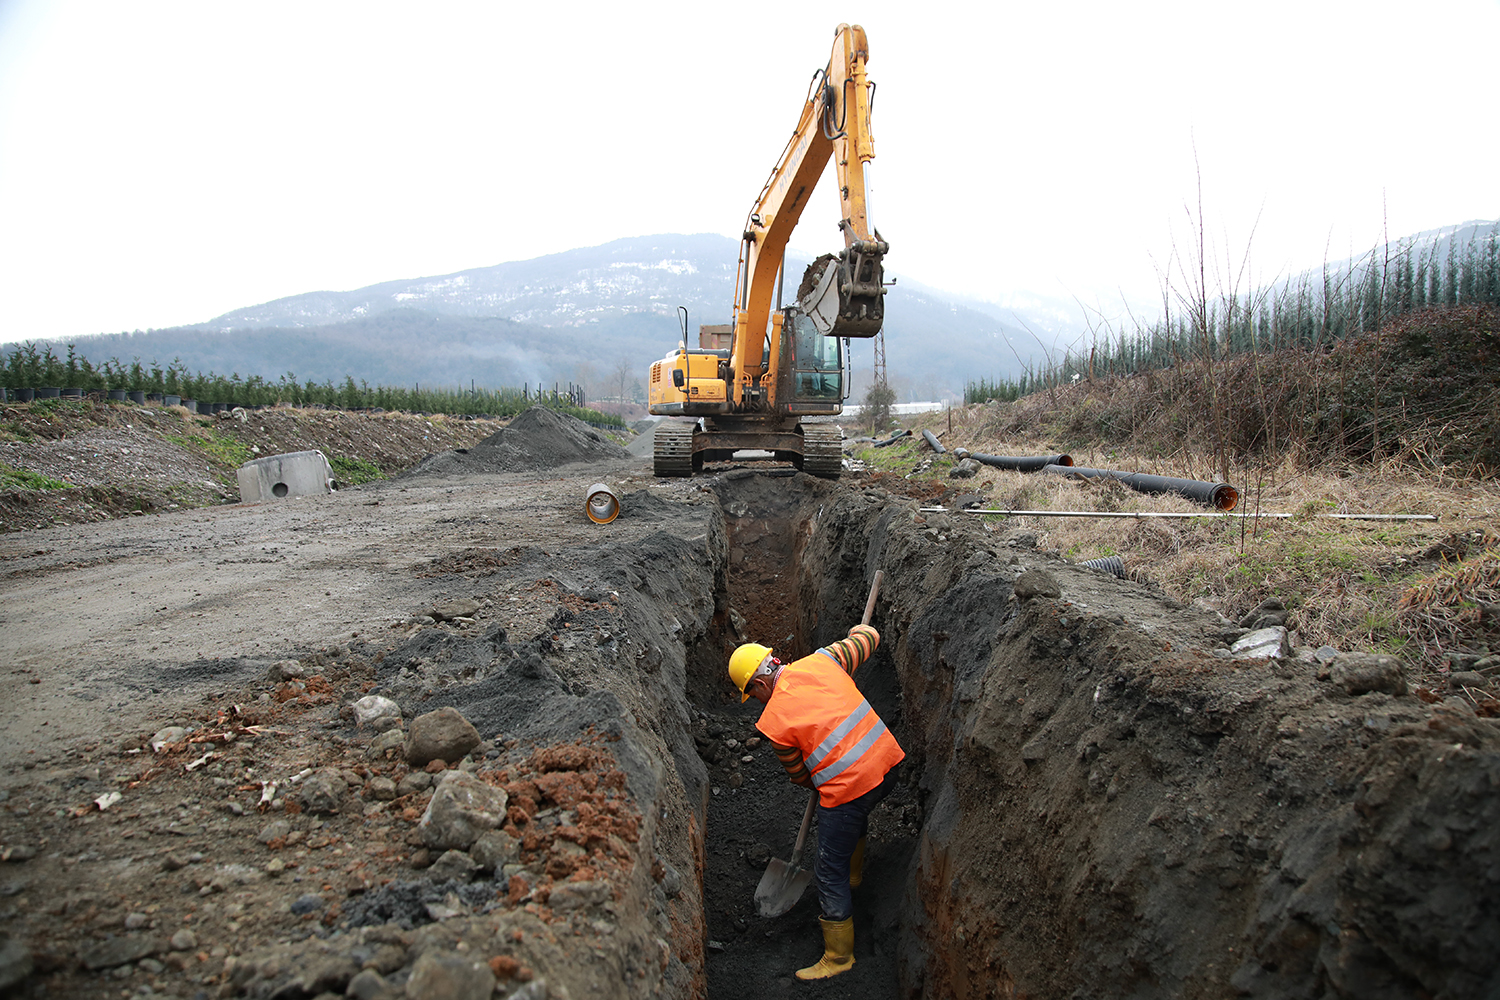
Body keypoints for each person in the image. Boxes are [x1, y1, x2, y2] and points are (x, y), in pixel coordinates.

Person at [728, 623, 904, 981]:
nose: (758, 701)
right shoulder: (824, 659)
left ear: (760, 685)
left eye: (753, 695)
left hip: (851, 790)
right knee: (853, 816)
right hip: (888, 767)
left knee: (827, 869)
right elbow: (868, 639)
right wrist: (860, 630)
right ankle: (855, 876)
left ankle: (839, 957)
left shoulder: (774, 722)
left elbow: (800, 776)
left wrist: (822, 778)